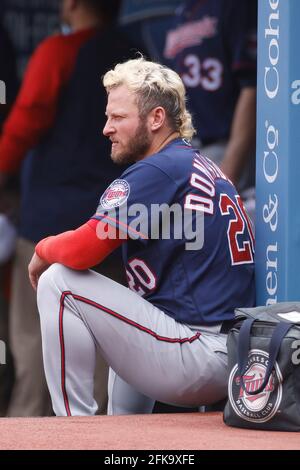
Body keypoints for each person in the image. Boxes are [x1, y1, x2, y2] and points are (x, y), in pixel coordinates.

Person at [28, 57, 255, 416]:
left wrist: (42, 248)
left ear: (156, 119)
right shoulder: (198, 165)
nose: (106, 128)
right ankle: (120, 432)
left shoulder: (159, 169)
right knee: (139, 310)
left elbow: (84, 249)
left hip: (198, 351)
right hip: (222, 350)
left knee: (59, 280)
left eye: (118, 118)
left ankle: (72, 429)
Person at [0, 0, 127, 417]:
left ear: (72, 3)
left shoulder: (59, 51)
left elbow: (23, 124)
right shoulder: (136, 51)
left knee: (36, 345)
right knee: (108, 345)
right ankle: (105, 443)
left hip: (50, 224)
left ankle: (24, 438)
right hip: (114, 224)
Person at [162, 0, 257, 190]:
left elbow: (252, 85)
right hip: (188, 147)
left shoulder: (236, 7)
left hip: (224, 145)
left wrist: (228, 174)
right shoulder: (184, 10)